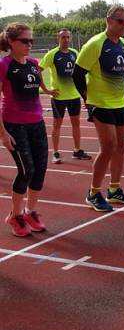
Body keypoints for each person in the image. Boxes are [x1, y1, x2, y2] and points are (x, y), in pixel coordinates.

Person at [72, 4, 124, 211]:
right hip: (100, 103)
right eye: (120, 21)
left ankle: (115, 190)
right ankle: (93, 192)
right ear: (109, 21)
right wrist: (87, 100)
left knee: (120, 147)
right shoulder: (95, 44)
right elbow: (77, 74)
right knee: (108, 147)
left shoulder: (122, 45)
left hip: (119, 103)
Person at [0, 23, 58, 236]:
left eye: (31, 40)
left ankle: (30, 212)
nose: (29, 44)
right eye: (25, 41)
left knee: (40, 168)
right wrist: (3, 133)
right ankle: (14, 216)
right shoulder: (4, 65)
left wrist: (48, 91)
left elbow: (36, 88)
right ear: (11, 42)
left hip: (36, 123)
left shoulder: (33, 63)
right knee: (26, 170)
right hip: (14, 125)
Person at [39, 29, 91, 164]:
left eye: (68, 37)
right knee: (57, 124)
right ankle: (55, 153)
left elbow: (81, 73)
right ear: (58, 38)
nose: (66, 39)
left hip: (74, 95)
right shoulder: (52, 54)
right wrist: (46, 90)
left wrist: (85, 95)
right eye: (63, 37)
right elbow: (38, 70)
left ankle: (77, 150)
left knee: (76, 123)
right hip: (58, 97)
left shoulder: (75, 53)